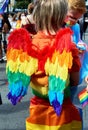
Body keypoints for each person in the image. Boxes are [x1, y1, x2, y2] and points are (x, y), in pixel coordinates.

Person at [6, 0, 82, 130]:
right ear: (63, 16)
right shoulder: (68, 47)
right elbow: (75, 81)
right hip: (62, 113)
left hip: (37, 113)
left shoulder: (28, 45)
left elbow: (23, 76)